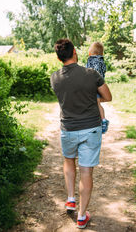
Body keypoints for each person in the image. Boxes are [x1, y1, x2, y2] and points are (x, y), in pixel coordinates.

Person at [50, 38, 112, 229]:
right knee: (86, 171)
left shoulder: (54, 77)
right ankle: (82, 216)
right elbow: (108, 97)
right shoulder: (91, 74)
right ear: (75, 52)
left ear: (59, 58)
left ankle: (70, 199)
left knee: (69, 160)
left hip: (67, 129)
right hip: (91, 130)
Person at [86, 41, 109, 134]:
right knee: (98, 103)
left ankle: (100, 121)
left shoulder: (91, 60)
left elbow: (87, 72)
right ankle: (102, 120)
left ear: (91, 52)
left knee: (94, 104)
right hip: (100, 84)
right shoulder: (102, 61)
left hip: (92, 85)